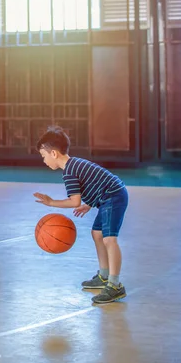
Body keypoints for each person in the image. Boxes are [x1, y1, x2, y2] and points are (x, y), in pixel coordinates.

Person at [32, 126, 128, 304]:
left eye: (43, 156)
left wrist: (51, 202)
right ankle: (104, 276)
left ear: (53, 153)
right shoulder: (75, 164)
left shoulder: (69, 171)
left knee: (109, 240)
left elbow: (74, 201)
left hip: (113, 196)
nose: (44, 161)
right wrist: (89, 203)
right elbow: (96, 180)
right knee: (97, 234)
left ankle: (115, 285)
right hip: (110, 194)